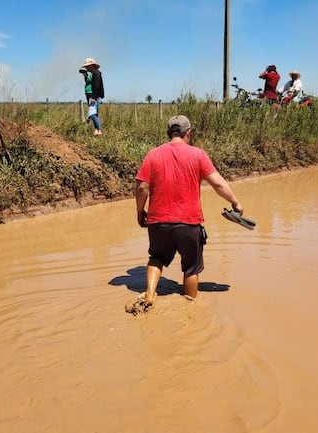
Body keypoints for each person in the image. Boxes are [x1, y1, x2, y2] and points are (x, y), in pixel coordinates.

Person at [130, 115, 244, 314]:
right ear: (188, 134)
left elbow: (142, 187)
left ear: (168, 134)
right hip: (189, 223)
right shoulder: (198, 155)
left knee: (156, 258)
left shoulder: (153, 154)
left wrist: (140, 212)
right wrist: (235, 202)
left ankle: (149, 294)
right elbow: (217, 183)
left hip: (158, 222)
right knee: (191, 268)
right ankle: (190, 309)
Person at [80, 58, 104, 135]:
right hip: (90, 94)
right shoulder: (92, 73)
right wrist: (85, 76)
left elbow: (96, 86)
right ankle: (96, 130)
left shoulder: (97, 73)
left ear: (92, 66)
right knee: (94, 113)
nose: (86, 68)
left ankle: (99, 130)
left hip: (93, 95)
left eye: (87, 66)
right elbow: (88, 84)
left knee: (92, 113)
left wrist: (93, 97)